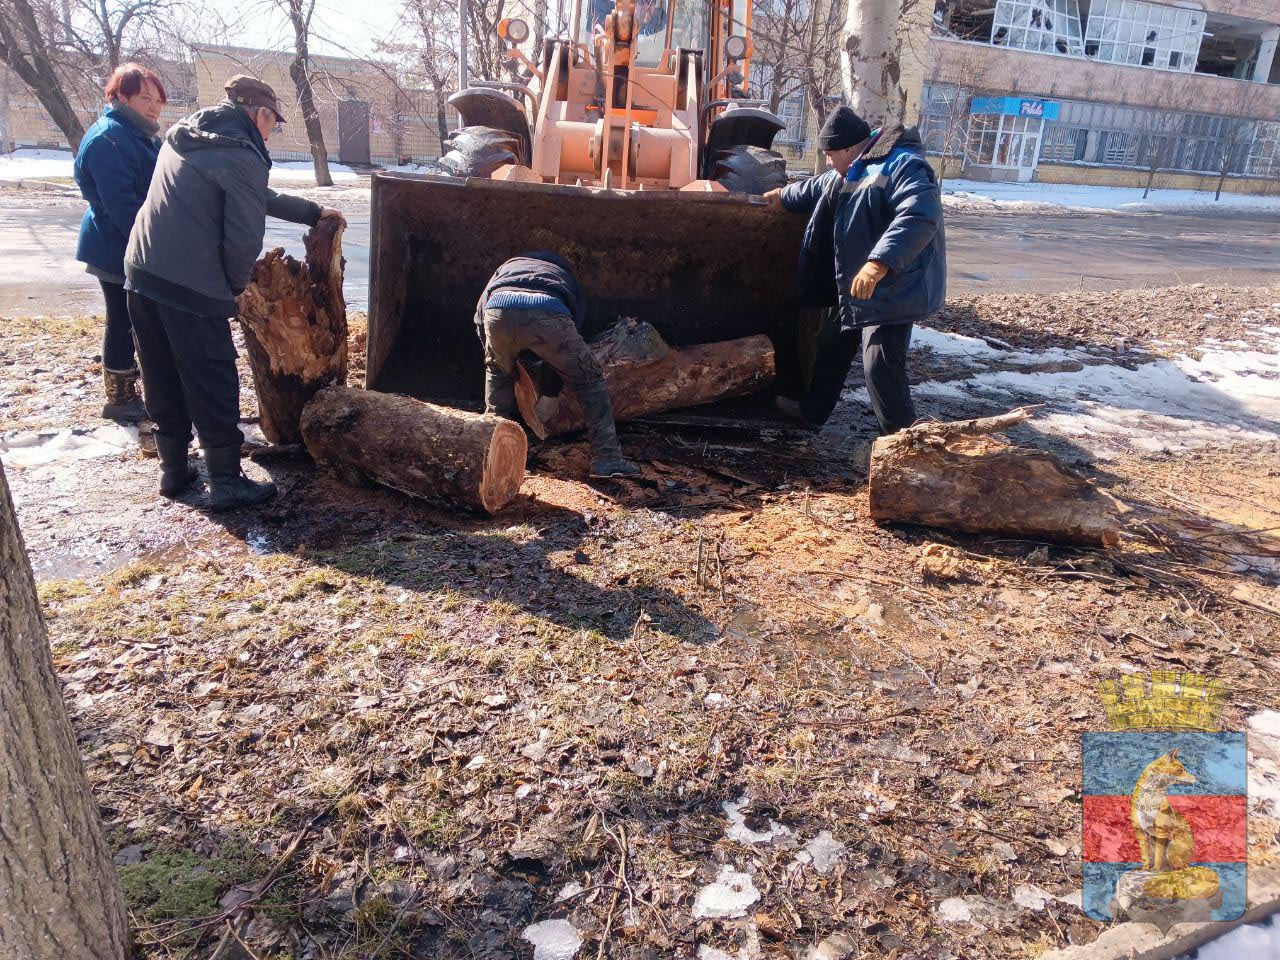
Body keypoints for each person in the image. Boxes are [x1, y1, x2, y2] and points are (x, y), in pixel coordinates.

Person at [124, 75, 344, 509]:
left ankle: (173, 469)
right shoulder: (242, 154)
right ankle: (225, 479)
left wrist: (311, 212)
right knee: (211, 376)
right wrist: (233, 289)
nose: (270, 132)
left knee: (160, 371)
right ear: (259, 113)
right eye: (272, 122)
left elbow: (250, 193)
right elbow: (243, 240)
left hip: (142, 271)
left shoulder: (189, 135)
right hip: (191, 283)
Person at [765, 104, 946, 435]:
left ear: (849, 148)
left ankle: (903, 443)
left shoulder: (904, 165)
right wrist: (781, 196)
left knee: (880, 364)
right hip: (857, 283)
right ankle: (812, 412)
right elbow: (816, 187)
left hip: (894, 284)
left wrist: (879, 263)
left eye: (830, 154)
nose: (828, 162)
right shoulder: (851, 170)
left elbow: (920, 215)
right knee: (832, 343)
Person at [475, 253, 641, 479]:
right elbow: (568, 335)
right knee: (589, 380)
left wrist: (498, 362)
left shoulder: (505, 269)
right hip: (548, 309)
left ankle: (493, 462)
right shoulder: (565, 276)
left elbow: (480, 318)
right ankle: (608, 459)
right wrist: (550, 392)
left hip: (498, 309)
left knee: (497, 375)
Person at [73, 62, 167, 422]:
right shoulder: (109, 140)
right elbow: (123, 209)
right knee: (123, 319)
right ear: (120, 97)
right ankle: (120, 397)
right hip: (116, 245)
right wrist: (155, 247)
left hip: (136, 243)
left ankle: (140, 386)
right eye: (145, 98)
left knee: (136, 318)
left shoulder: (138, 133)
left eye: (158, 100)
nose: (154, 107)